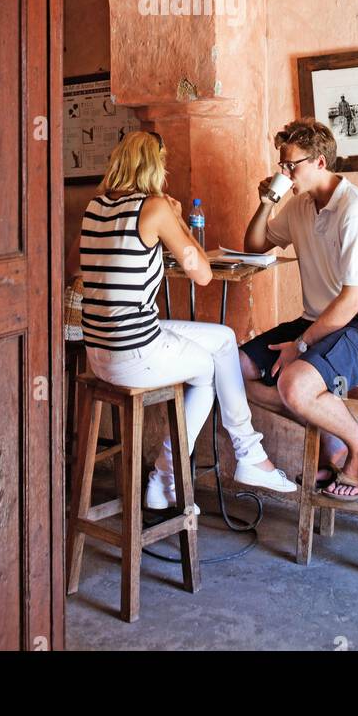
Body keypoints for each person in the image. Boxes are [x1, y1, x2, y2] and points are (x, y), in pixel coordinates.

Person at [65, 131, 297, 511]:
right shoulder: (153, 208)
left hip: (100, 352)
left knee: (223, 339)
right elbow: (203, 275)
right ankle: (167, 476)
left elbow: (76, 264)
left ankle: (248, 452)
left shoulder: (95, 207)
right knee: (206, 371)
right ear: (154, 166)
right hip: (133, 353)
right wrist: (176, 220)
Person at [239, 118, 358, 500]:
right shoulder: (300, 206)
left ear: (319, 162)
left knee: (294, 383)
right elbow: (254, 245)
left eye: (290, 165)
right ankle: (331, 438)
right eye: (281, 164)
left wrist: (299, 344)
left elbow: (351, 301)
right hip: (320, 320)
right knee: (235, 371)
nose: (283, 171)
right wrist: (266, 202)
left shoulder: (354, 211)